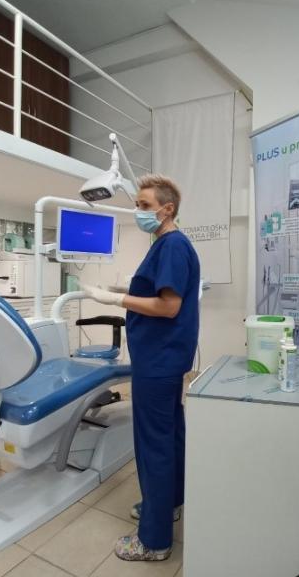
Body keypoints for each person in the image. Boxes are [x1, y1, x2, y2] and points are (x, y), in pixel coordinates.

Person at [81, 174, 200, 562]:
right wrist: (122, 292)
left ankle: (153, 540)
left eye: (145, 206)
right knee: (170, 436)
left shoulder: (172, 245)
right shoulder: (167, 244)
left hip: (159, 361)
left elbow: (168, 306)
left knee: (154, 446)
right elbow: (154, 294)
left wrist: (115, 301)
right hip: (165, 359)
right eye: (137, 205)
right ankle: (169, 505)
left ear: (167, 209)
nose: (139, 212)